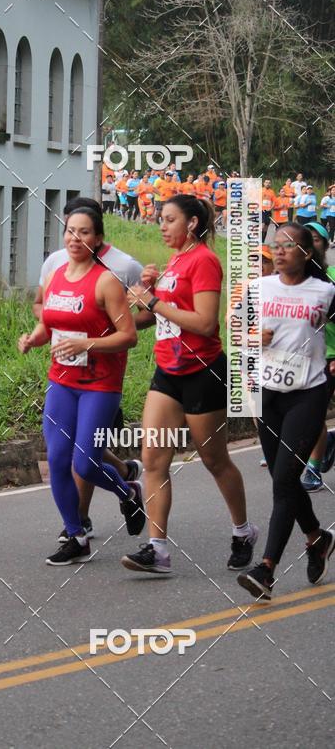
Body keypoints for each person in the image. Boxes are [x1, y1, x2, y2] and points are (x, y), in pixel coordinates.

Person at [120, 194, 257, 576]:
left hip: (202, 371)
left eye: (169, 219)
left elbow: (205, 323)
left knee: (214, 459)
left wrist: (155, 301)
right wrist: (140, 302)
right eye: (159, 219)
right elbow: (152, 320)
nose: (161, 226)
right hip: (168, 372)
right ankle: (158, 549)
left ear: (192, 223)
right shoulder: (175, 261)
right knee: (152, 459)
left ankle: (243, 532)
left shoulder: (205, 261)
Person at [19, 207, 144, 565]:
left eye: (84, 232)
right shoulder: (57, 274)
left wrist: (86, 344)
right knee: (57, 461)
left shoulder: (106, 281)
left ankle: (129, 493)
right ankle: (75, 535)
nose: (75, 239)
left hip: (100, 384)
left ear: (98, 239)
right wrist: (33, 339)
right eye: (70, 231)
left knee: (85, 464)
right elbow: (50, 325)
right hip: (61, 380)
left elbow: (129, 336)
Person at [238, 223, 335, 600]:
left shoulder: (325, 291)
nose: (278, 252)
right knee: (286, 481)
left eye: (288, 246)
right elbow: (236, 330)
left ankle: (265, 570)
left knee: (283, 481)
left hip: (307, 394)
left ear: (307, 254)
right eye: (275, 246)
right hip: (266, 393)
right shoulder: (258, 288)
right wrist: (251, 337)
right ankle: (317, 537)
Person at [298, 222, 335, 492]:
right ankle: (315, 463)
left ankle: (318, 459)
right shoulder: (290, 279)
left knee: (315, 415)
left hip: (332, 354)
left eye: (315, 240)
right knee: (312, 415)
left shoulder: (331, 277)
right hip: (306, 359)